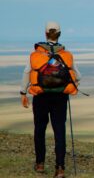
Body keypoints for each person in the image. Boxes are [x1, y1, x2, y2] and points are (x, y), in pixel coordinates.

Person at [20, 21, 81, 178]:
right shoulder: (65, 54)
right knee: (59, 130)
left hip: (41, 96)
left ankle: (40, 164)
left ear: (46, 34)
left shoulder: (37, 54)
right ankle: (60, 168)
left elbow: (27, 73)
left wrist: (23, 93)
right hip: (60, 97)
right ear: (59, 34)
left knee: (39, 129)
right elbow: (78, 76)